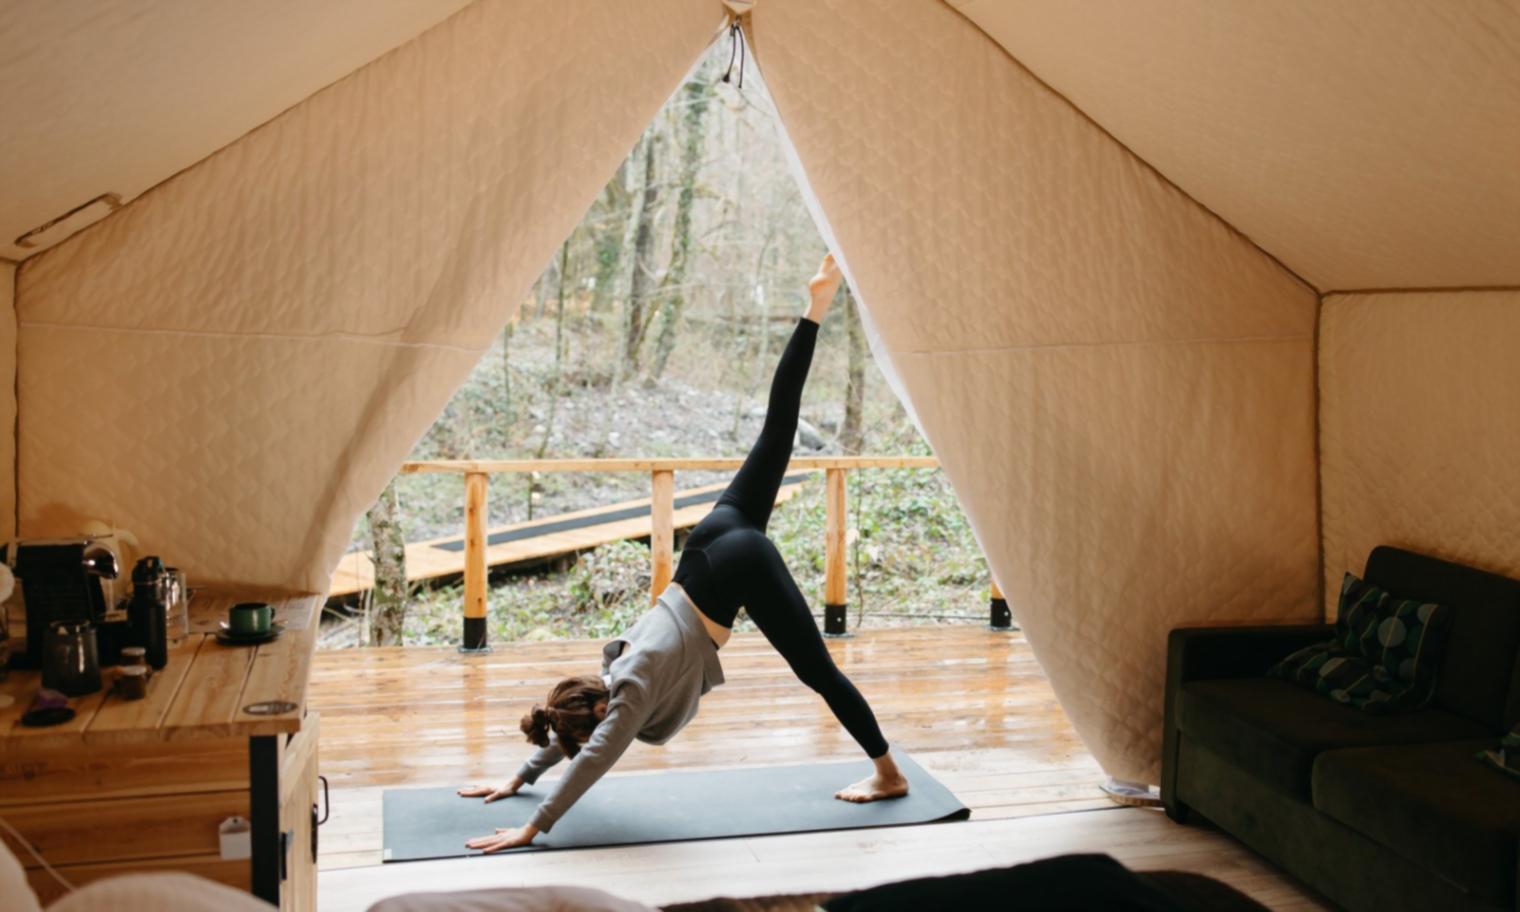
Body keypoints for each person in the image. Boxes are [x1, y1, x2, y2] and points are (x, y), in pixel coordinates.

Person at [457, 253, 908, 853]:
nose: (589, 738)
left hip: (736, 564)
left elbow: (591, 759)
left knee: (818, 671)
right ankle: (815, 307)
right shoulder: (610, 672)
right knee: (777, 428)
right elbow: (572, 734)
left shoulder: (630, 692)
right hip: (710, 542)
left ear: (597, 716)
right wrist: (519, 777)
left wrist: (531, 827)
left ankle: (889, 773)